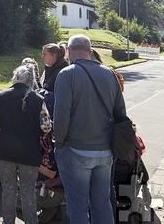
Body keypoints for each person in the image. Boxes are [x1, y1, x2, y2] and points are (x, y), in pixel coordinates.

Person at [53, 34, 124, 223]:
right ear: (90, 50)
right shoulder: (109, 73)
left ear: (68, 51)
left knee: (78, 206)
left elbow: (61, 117)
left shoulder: (67, 74)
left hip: (76, 150)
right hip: (105, 151)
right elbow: (121, 114)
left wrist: (59, 144)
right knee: (102, 204)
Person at [0, 65, 50, 224]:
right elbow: (46, 127)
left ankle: (7, 222)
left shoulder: (0, 96)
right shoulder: (38, 100)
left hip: (4, 150)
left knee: (8, 190)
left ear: (15, 77)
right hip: (29, 151)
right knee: (28, 191)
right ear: (31, 81)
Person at [40, 43, 69, 117]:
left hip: (56, 113)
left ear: (53, 56)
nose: (42, 57)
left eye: (44, 54)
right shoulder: (50, 68)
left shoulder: (62, 72)